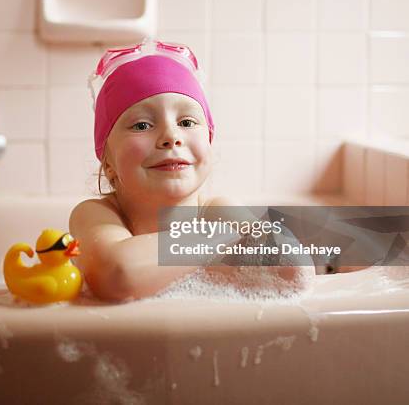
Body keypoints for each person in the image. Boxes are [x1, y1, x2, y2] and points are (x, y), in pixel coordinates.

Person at [69, 39, 315, 302]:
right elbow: (118, 275)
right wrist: (226, 238)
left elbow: (294, 266)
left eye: (186, 122)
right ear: (108, 164)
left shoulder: (216, 209)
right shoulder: (95, 213)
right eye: (141, 125)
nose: (171, 136)